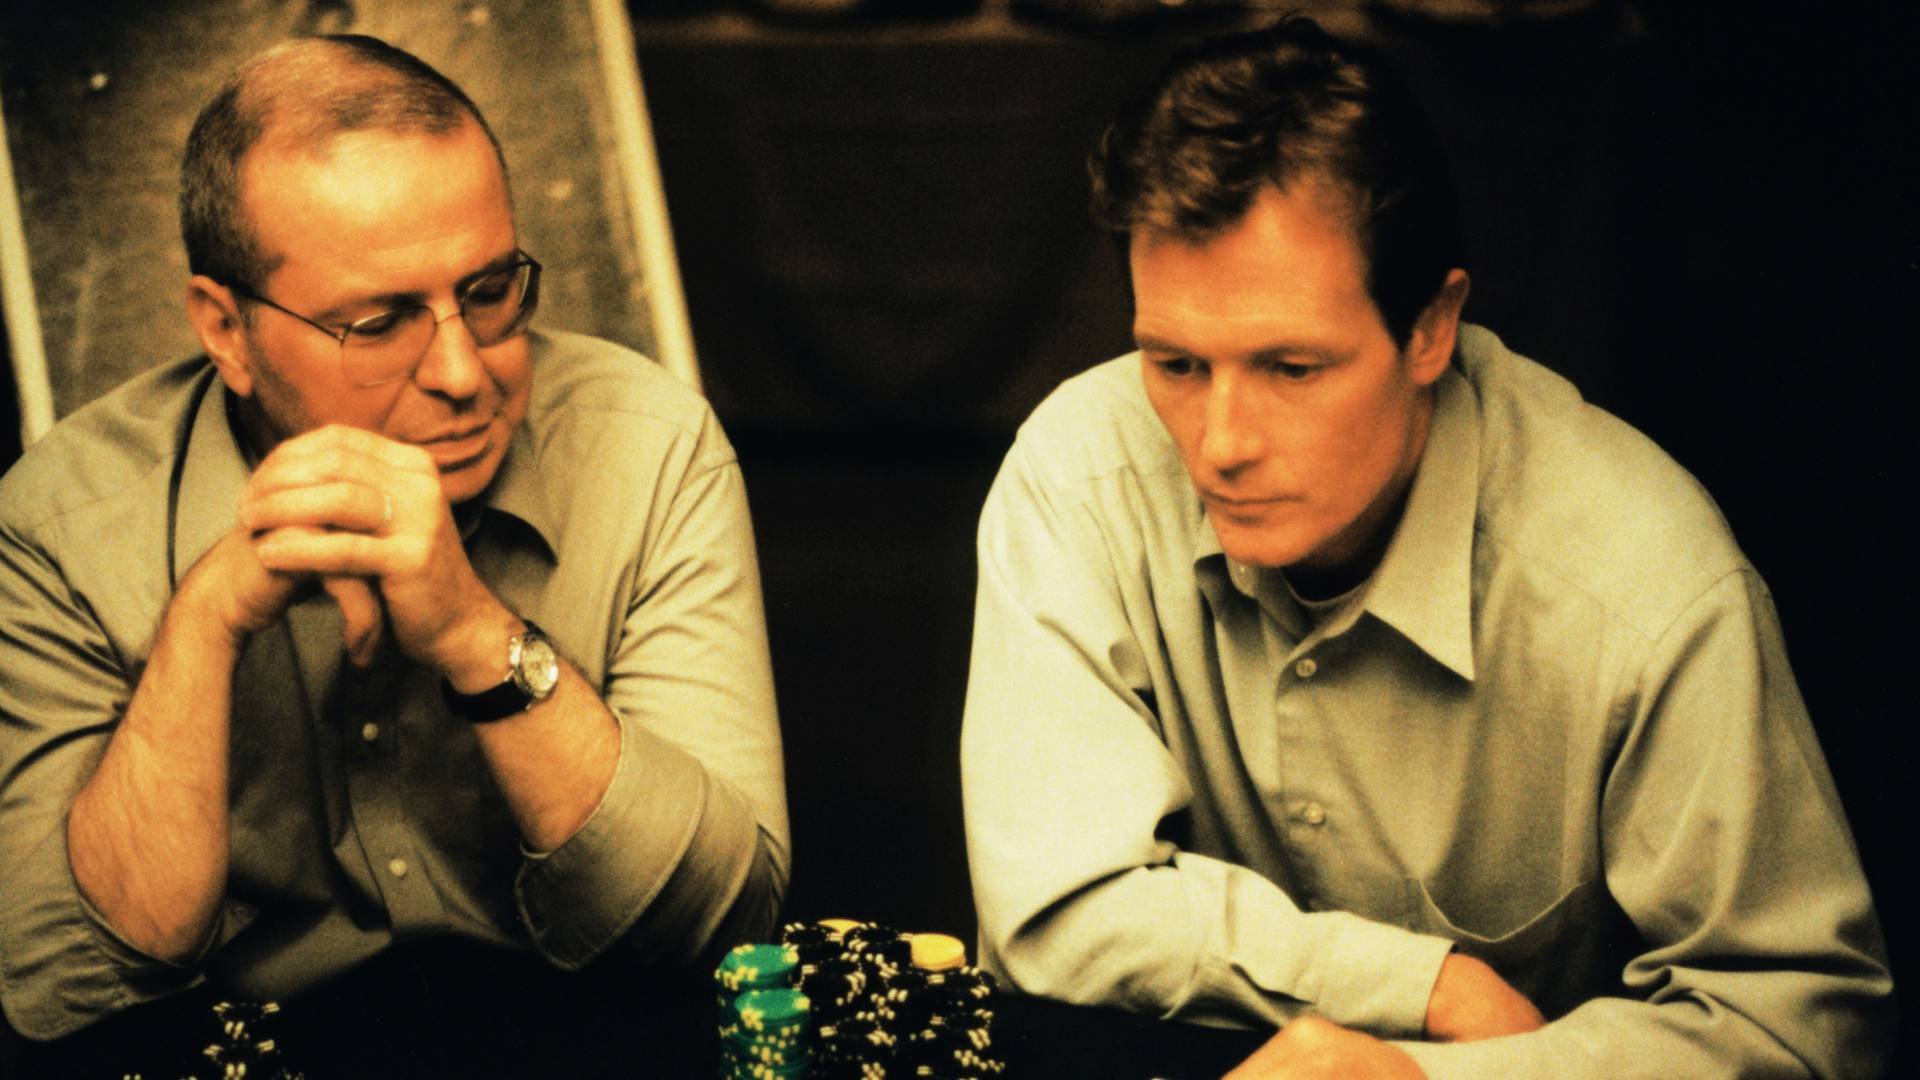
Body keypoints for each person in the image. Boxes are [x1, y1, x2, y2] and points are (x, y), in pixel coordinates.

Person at [960, 17, 1892, 1078]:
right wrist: (1430, 988)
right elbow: (1054, 912)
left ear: (1431, 330)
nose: (1220, 444)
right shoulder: (1078, 478)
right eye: (1176, 365)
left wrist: (1428, 1077)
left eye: (1292, 369)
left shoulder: (1646, 584)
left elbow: (1799, 1031)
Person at [0, 34, 787, 1051]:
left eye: (489, 292)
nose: (464, 372)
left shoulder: (650, 448)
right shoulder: (60, 521)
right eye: (379, 324)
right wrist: (204, 624)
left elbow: (724, 923)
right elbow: (58, 990)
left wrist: (476, 635)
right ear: (227, 331)